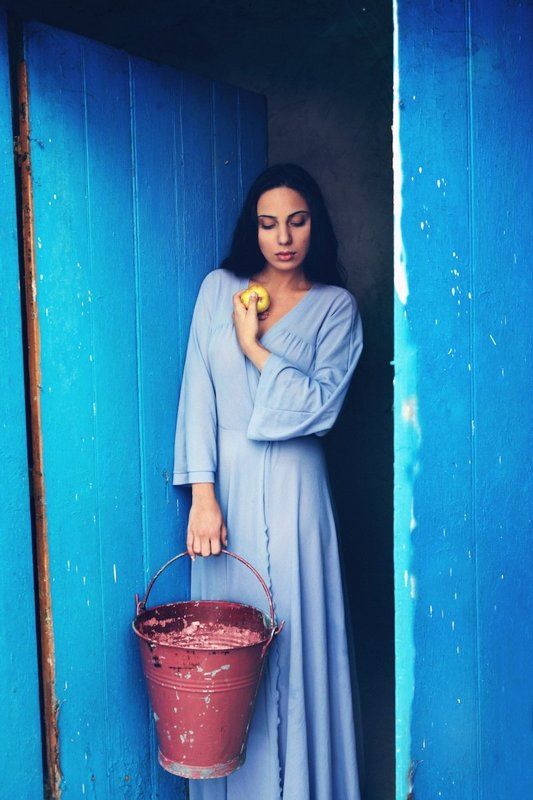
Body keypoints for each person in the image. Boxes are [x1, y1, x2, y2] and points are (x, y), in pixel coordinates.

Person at [173, 162, 364, 799]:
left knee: (296, 645)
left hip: (296, 493)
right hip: (224, 496)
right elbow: (197, 390)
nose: (283, 237)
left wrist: (256, 347)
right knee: (227, 652)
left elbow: (319, 407)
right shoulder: (217, 289)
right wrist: (203, 494)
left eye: (298, 221)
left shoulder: (337, 308)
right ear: (251, 228)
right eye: (268, 222)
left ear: (317, 226)